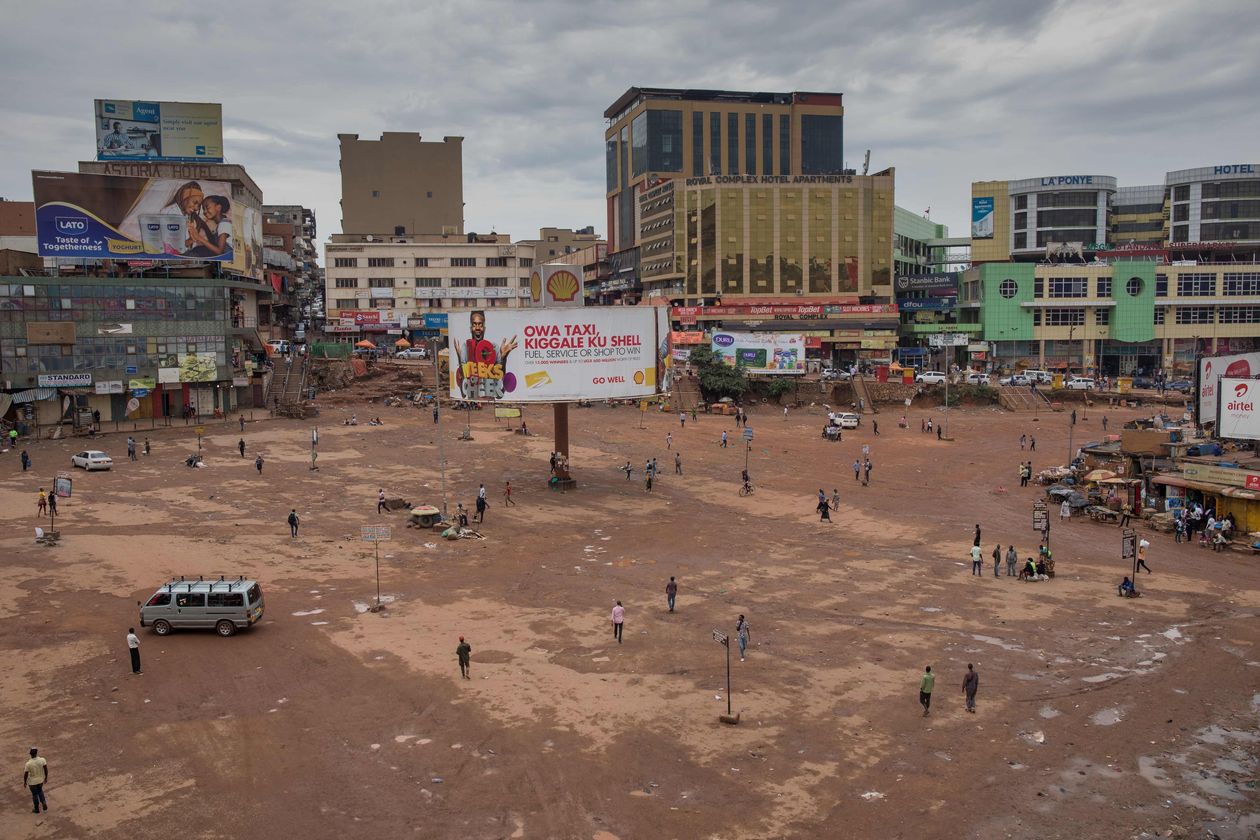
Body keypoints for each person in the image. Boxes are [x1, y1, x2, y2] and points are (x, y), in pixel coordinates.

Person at [24, 747, 48, 813]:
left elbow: (26, 774)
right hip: (40, 780)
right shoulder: (42, 760)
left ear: (30, 754)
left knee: (34, 794)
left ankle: (36, 809)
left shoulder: (28, 763)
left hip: (32, 782)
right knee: (40, 791)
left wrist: (25, 782)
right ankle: (43, 802)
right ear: (36, 753)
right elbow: (46, 769)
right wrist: (46, 777)